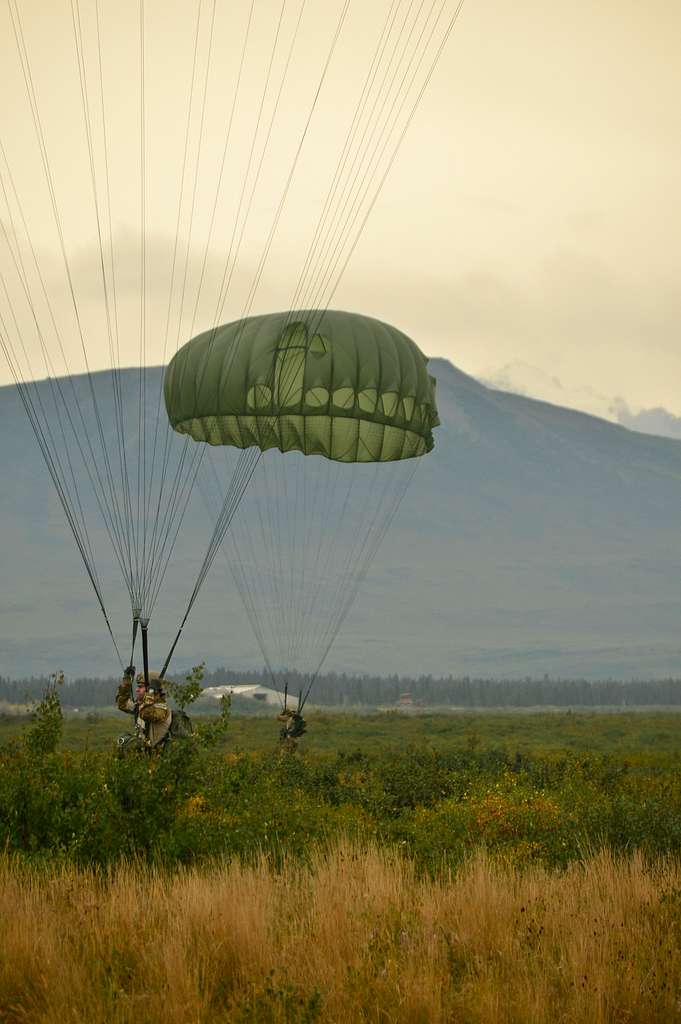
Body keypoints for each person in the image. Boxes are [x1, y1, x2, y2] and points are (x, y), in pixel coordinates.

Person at [115, 667, 173, 752]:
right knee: (124, 740)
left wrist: (150, 693)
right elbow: (122, 704)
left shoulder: (162, 709)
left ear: (152, 689)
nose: (137, 690)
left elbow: (147, 714)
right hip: (143, 756)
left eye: (140, 687)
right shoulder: (141, 706)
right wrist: (127, 683)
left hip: (155, 759)